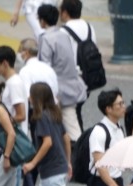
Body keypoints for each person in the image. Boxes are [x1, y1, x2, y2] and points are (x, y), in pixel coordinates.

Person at [22, 82, 80, 186]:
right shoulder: (54, 114)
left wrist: (32, 163)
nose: (29, 98)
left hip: (50, 169)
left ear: (36, 98)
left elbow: (47, 143)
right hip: (58, 166)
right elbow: (66, 138)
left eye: (31, 95)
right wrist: (68, 161)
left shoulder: (40, 117)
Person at [37, 3, 86, 141]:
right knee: (72, 127)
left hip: (55, 91)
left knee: (52, 129)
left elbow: (44, 68)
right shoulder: (63, 35)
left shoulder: (45, 38)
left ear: (42, 20)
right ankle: (81, 153)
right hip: (72, 87)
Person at [15, 39, 59, 106]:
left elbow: (27, 96)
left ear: (26, 53)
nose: (19, 54)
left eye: (20, 51)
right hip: (53, 108)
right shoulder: (49, 68)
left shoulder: (25, 71)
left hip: (38, 110)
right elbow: (56, 91)